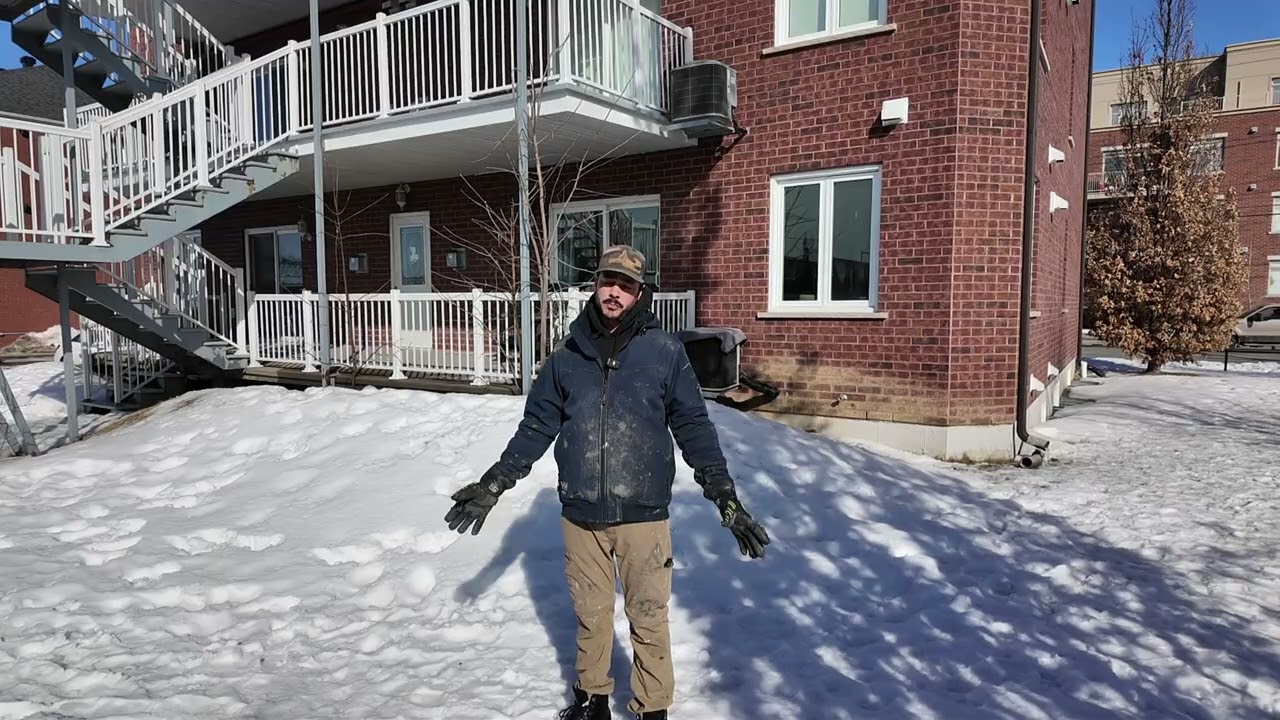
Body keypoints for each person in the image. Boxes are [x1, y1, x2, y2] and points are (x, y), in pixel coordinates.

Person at [444, 245, 770, 720]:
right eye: (607, 281)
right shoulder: (567, 356)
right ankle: (592, 701)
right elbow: (537, 426)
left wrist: (725, 496)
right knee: (591, 615)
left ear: (642, 293)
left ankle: (652, 709)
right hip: (581, 514)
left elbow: (694, 428)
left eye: (626, 285)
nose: (614, 292)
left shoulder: (664, 353)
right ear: (595, 284)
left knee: (649, 617)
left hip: (643, 515)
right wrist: (496, 483)